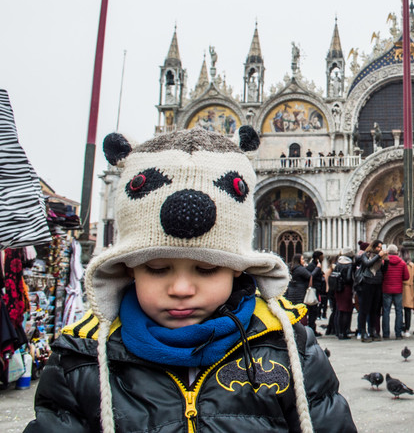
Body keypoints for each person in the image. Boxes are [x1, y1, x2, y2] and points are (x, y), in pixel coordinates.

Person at [25, 127, 354, 433]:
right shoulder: (81, 360)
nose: (181, 289)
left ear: (238, 267)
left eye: (206, 268)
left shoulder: (288, 347)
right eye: (157, 268)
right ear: (128, 267)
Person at [355, 240, 384, 342]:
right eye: (378, 247)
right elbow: (367, 264)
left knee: (374, 309)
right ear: (373, 247)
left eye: (381, 248)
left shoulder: (379, 258)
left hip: (377, 283)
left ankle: (372, 330)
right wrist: (378, 256)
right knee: (364, 309)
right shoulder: (365, 255)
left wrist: (386, 260)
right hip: (367, 283)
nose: (379, 249)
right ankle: (363, 331)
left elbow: (383, 270)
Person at [381, 244, 409, 340]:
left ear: (388, 252)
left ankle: (386, 334)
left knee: (386, 311)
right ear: (397, 252)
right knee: (399, 311)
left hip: (386, 289)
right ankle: (398, 333)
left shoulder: (384, 262)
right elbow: (406, 277)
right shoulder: (402, 263)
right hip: (398, 290)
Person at [332, 254, 355, 340]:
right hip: (346, 289)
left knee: (340, 310)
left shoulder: (338, 264)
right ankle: (344, 332)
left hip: (337, 289)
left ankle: (339, 332)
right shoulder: (349, 265)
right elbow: (349, 278)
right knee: (346, 310)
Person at [401, 250, 414, 338]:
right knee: (407, 310)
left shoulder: (400, 263)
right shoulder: (412, 265)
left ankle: (400, 327)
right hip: (409, 288)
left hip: (400, 288)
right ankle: (407, 329)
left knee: (399, 310)